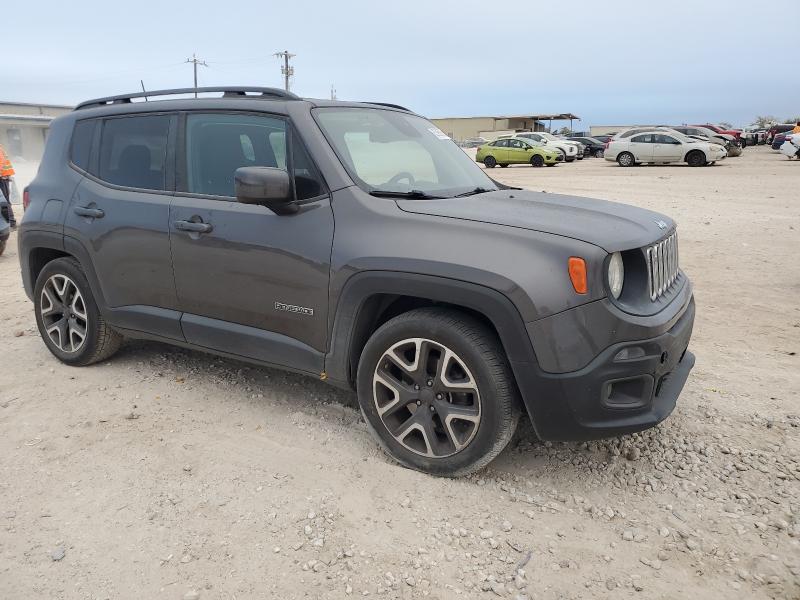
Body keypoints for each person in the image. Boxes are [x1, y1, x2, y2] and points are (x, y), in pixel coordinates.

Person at [0, 144, 16, 227]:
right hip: (3, 178)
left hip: (3, 178)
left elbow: (1, 162)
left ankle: (12, 222)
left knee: (4, 201)